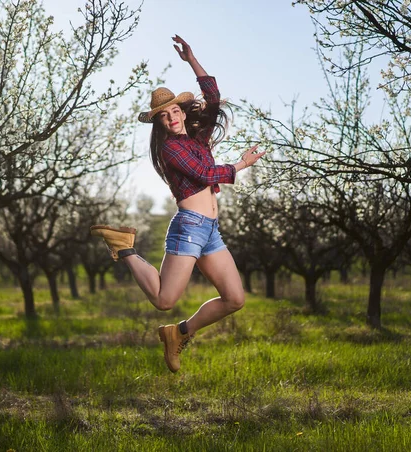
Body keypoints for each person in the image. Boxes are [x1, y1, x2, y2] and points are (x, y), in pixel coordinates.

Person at [90, 35, 265, 373]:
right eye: (163, 115)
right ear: (159, 123)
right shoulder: (171, 149)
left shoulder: (197, 137)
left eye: (174, 110)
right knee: (163, 300)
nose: (171, 117)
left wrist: (192, 60)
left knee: (235, 299)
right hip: (189, 228)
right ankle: (125, 247)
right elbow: (203, 173)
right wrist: (241, 166)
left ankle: (180, 333)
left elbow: (212, 97)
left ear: (182, 112)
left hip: (210, 231)